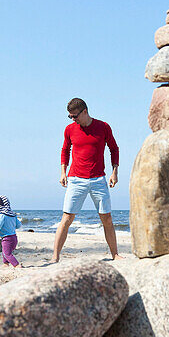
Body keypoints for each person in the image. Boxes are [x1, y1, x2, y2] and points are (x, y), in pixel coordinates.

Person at [53, 97, 120, 262]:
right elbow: (65, 150)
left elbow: (114, 148)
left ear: (84, 111)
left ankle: (115, 255)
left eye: (74, 116)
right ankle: (55, 257)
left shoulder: (103, 127)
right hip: (75, 179)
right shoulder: (69, 129)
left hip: (99, 180)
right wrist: (63, 171)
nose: (73, 119)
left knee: (107, 218)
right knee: (67, 218)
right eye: (70, 117)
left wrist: (115, 172)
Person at [0, 195, 22, 267]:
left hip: (7, 238)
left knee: (7, 253)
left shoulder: (2, 215)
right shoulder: (13, 215)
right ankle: (5, 263)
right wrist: (11, 225)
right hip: (14, 237)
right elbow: (19, 225)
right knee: (5, 251)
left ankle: (16, 265)